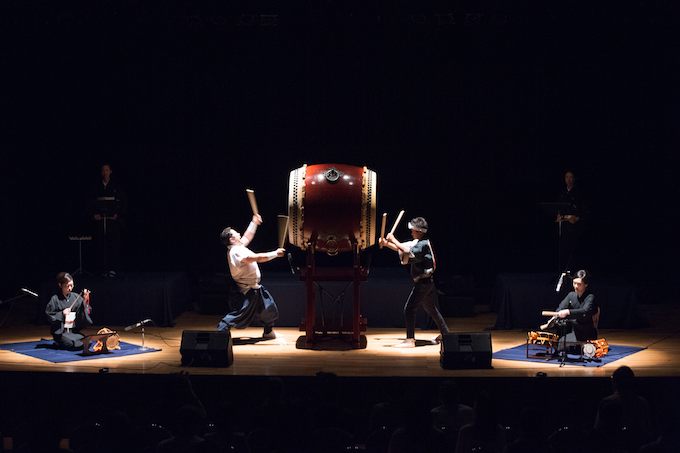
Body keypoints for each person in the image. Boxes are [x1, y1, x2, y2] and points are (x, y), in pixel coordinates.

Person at [380, 216, 450, 348]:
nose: (411, 232)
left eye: (412, 230)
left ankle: (410, 340)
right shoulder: (418, 242)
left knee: (409, 309)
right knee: (431, 308)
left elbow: (408, 252)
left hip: (423, 283)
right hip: (427, 282)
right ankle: (445, 334)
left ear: (418, 231)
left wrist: (393, 239)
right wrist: (386, 243)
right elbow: (402, 248)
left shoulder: (422, 244)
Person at [217, 214, 285, 339]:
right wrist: (274, 254)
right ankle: (220, 335)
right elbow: (254, 258)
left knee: (268, 308)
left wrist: (254, 222)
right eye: (236, 233)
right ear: (232, 239)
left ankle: (268, 332)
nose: (239, 234)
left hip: (254, 288)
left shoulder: (238, 247)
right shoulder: (235, 251)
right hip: (246, 291)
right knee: (238, 314)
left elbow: (247, 237)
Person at [88, 163, 127, 277]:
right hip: (100, 221)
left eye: (107, 170)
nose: (105, 173)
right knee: (100, 244)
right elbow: (90, 202)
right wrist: (94, 214)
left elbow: (123, 202)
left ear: (110, 171)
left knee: (112, 244)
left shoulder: (116, 187)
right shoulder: (96, 187)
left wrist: (117, 215)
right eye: (103, 171)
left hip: (112, 222)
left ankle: (112, 268)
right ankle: (101, 268)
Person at [542, 269, 598, 345]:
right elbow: (560, 309)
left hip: (586, 332)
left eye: (579, 284)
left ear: (586, 284)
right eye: (574, 283)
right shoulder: (571, 295)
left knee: (577, 349)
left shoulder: (590, 297)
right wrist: (553, 319)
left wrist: (568, 312)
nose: (576, 286)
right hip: (575, 331)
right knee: (561, 346)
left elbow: (585, 311)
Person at [44, 272, 93, 350]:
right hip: (61, 332)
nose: (70, 288)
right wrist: (62, 314)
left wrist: (84, 302)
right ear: (60, 285)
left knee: (87, 341)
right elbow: (49, 315)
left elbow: (86, 310)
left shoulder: (76, 296)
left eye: (71, 285)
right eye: (67, 286)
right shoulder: (55, 299)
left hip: (73, 331)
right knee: (70, 344)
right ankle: (59, 342)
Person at [555, 171, 588, 272]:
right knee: (564, 247)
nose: (568, 179)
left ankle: (574, 269)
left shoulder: (578, 192)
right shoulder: (562, 193)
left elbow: (583, 209)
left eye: (571, 177)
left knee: (574, 248)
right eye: (566, 177)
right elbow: (559, 207)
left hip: (574, 224)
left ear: (574, 179)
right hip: (564, 224)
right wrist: (558, 216)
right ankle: (564, 270)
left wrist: (577, 218)